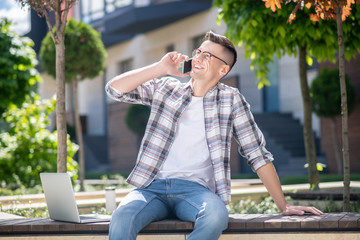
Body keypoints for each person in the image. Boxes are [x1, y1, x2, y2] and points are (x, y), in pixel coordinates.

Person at [105, 31, 323, 240]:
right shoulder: (166, 89)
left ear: (222, 70)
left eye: (207, 56)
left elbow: (257, 154)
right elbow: (114, 89)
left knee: (216, 216)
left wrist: (283, 205)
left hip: (195, 191)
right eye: (198, 52)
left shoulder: (231, 100)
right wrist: (161, 67)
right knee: (122, 217)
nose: (198, 57)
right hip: (151, 187)